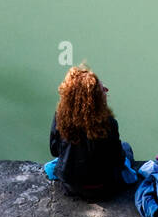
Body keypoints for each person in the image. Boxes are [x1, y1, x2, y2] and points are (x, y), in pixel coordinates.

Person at [48, 65, 129, 200]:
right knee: (126, 148)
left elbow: (54, 151)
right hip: (102, 187)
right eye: (102, 89)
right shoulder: (108, 123)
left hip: (70, 184)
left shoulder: (60, 118)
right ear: (94, 99)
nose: (106, 90)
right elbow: (118, 160)